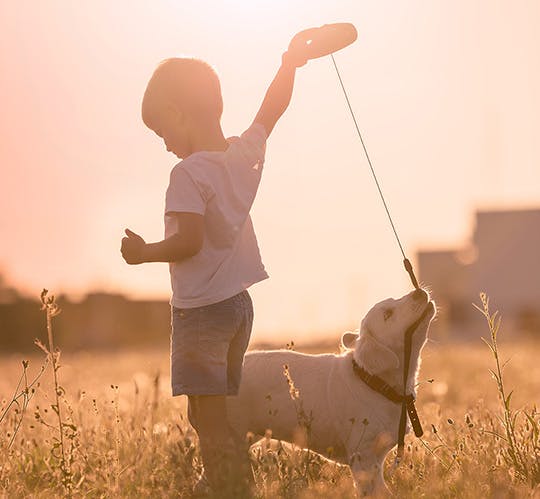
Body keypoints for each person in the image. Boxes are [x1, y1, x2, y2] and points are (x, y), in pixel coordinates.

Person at [120, 33, 311, 497]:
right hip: (238, 307)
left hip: (201, 312)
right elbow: (272, 109)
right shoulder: (240, 157)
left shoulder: (186, 174)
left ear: (179, 113)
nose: (164, 144)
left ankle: (224, 483)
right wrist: (291, 63)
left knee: (205, 414)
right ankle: (231, 477)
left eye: (162, 130)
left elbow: (188, 241)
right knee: (219, 408)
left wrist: (145, 252)